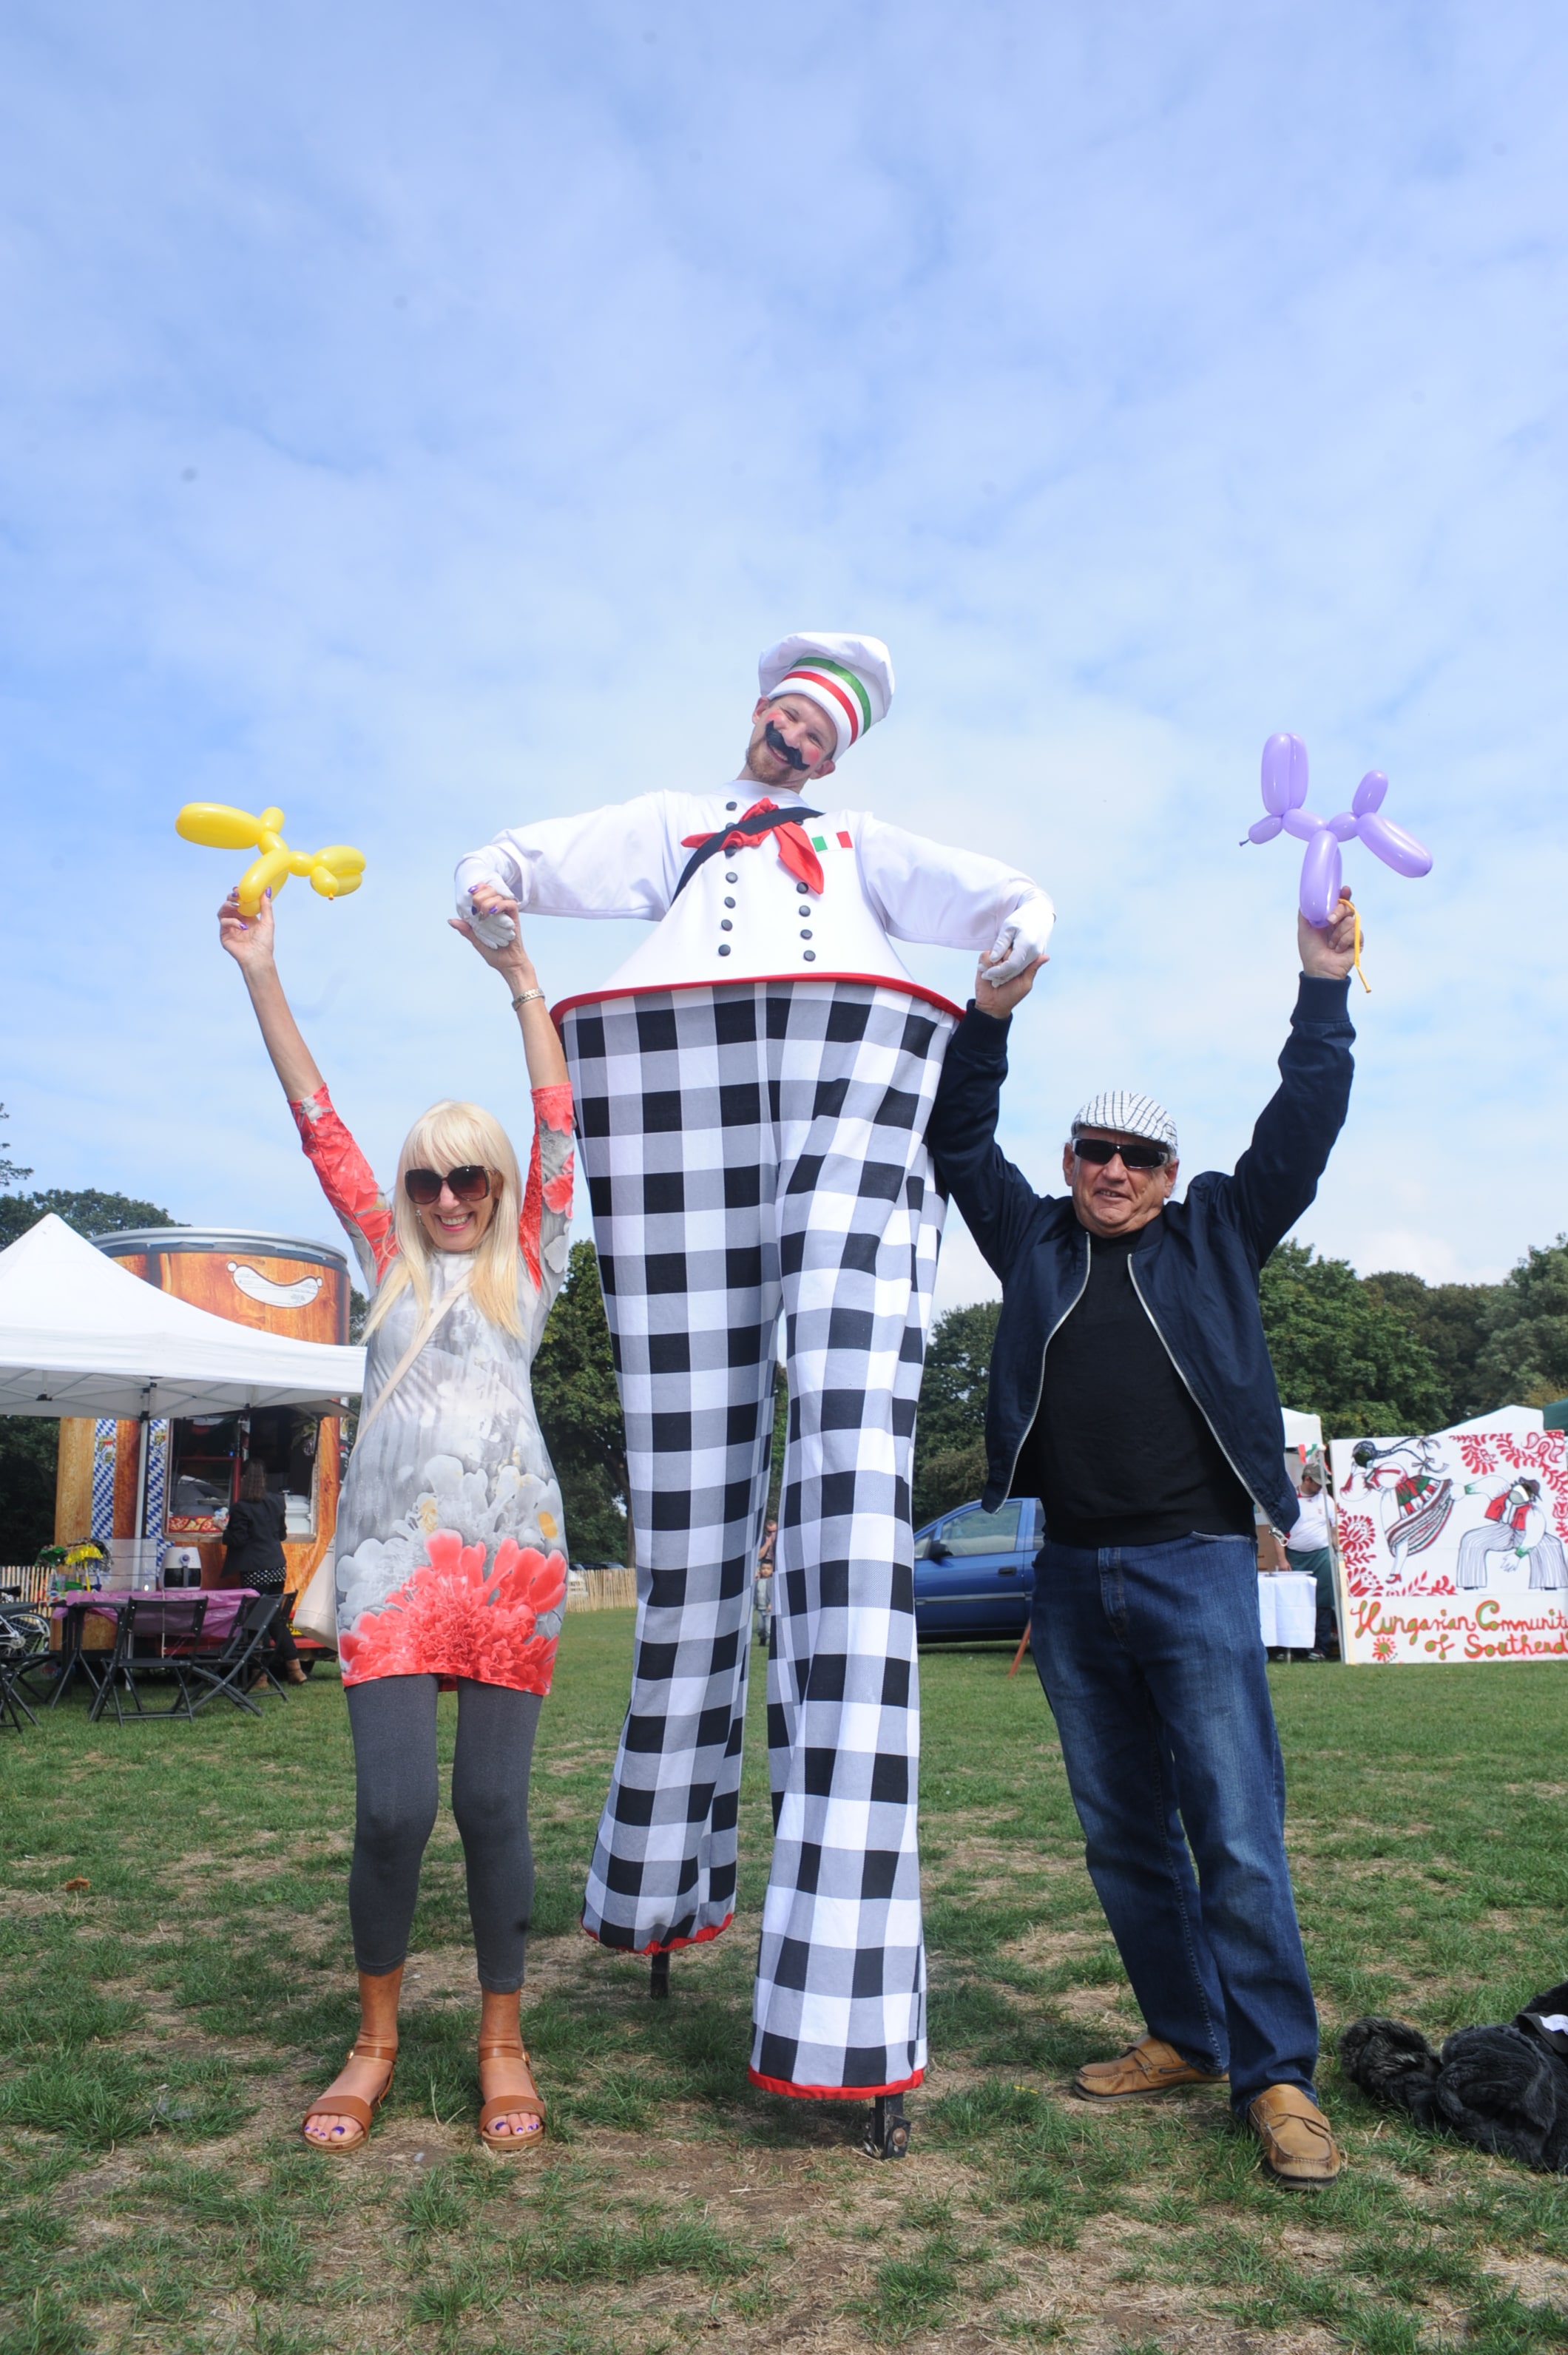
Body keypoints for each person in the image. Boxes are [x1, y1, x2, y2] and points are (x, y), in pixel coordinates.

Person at [454, 632, 1055, 2111]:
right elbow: (536, 852)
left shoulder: (856, 843)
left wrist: (1018, 938)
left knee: (849, 1515)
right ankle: (659, 1877)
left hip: (843, 1065)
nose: (792, 734)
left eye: (815, 722)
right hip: (674, 1071)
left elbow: (996, 892)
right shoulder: (677, 823)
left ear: (839, 749)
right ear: (758, 718)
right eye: (782, 712)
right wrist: (488, 880)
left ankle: (843, 1986)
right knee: (686, 1505)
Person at [925, 895, 1362, 2189]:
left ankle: (1276, 2072)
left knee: (1234, 1826)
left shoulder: (1221, 1230)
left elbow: (1304, 1124)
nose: (1112, 1169)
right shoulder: (1034, 1239)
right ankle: (1184, 2030)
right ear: (1069, 1161)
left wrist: (1322, 986)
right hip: (1069, 1573)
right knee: (1122, 1827)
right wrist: (991, 1012)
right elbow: (958, 1133)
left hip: (1198, 1565)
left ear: (1171, 1174)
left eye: (1138, 1156)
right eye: (1092, 1150)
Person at [217, 880, 575, 2157]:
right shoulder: (385, 1255)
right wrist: (264, 971)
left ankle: (501, 2037)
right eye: (430, 1175)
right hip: (386, 1568)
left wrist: (520, 975)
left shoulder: (530, 1262)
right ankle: (372, 2037)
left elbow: (556, 1115)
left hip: (510, 1567)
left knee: (491, 1808)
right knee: (391, 1813)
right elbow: (315, 1116)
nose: (447, 1193)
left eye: (468, 1173)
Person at [219, 1459, 306, 1685]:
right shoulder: (278, 1501)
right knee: (276, 1619)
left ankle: (261, 1677)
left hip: (254, 1570)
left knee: (256, 1621)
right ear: (264, 1479)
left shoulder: (241, 1507)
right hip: (277, 1567)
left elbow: (237, 1539)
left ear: (244, 1479)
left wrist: (223, 1530)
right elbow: (282, 1535)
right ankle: (295, 1670)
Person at [1284, 1459, 1337, 1658]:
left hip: (1321, 1555)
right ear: (1307, 1480)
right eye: (1317, 1482)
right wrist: (1282, 1559)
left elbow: (1333, 1529)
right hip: (1296, 1556)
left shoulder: (1326, 1501)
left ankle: (1321, 1648)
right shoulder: (1290, 1499)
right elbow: (1277, 1531)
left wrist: (1338, 1549)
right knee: (1298, 1603)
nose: (1320, 1486)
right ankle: (1298, 1648)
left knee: (1322, 1602)